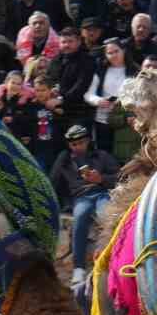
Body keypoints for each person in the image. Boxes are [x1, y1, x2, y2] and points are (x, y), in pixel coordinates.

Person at [51, 123, 118, 289]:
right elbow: (53, 181)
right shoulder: (65, 159)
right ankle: (79, 268)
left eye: (80, 143)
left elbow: (119, 176)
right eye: (73, 144)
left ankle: (109, 263)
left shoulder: (101, 155)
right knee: (80, 218)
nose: (77, 147)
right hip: (81, 197)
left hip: (102, 193)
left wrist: (101, 179)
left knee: (106, 217)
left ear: (88, 141)